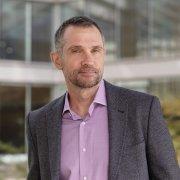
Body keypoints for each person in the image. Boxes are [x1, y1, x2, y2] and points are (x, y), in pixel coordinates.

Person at [26, 16, 180, 180]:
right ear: (57, 60)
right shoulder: (39, 122)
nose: (88, 60)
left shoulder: (142, 109)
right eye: (76, 50)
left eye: (95, 50)